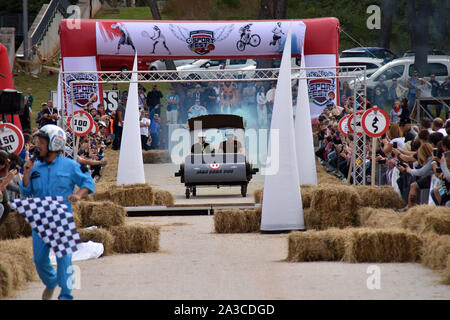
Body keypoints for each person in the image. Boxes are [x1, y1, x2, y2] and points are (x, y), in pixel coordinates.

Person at [20, 124, 95, 300]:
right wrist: (26, 172)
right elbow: (26, 192)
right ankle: (52, 281)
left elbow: (88, 183)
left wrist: (79, 194)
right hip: (40, 219)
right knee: (39, 260)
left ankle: (66, 295)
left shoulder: (71, 165)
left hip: (61, 217)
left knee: (64, 258)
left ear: (55, 143)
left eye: (42, 142)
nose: (37, 145)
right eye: (37, 141)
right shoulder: (35, 166)